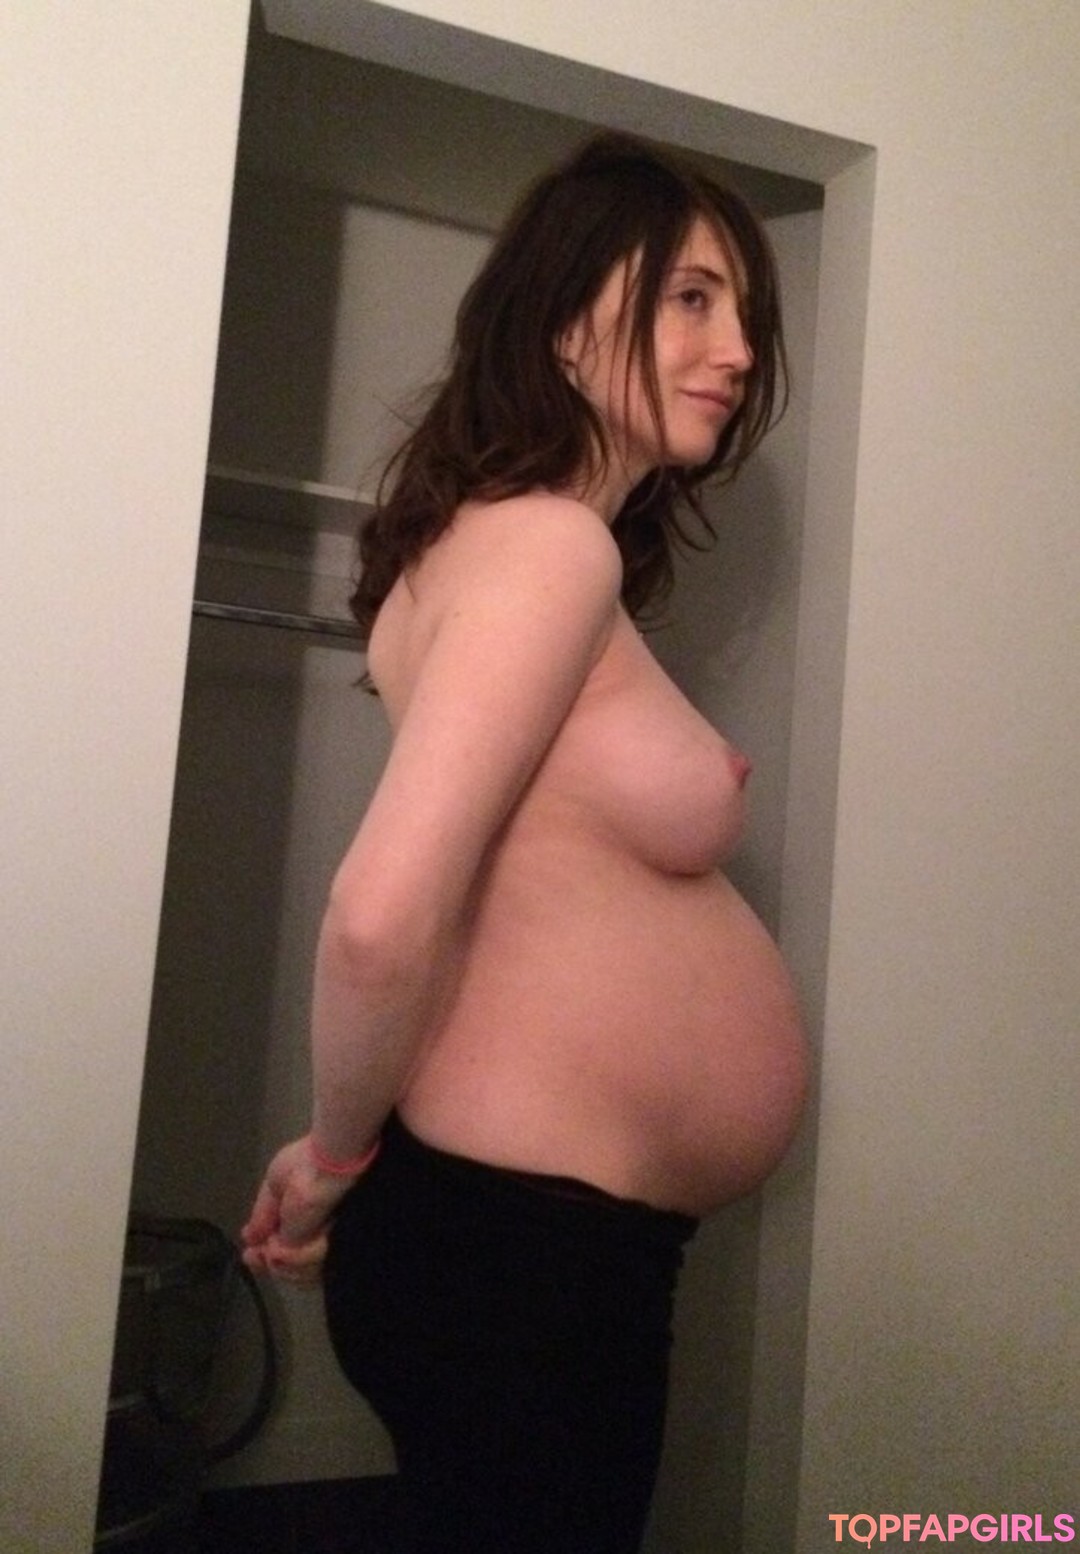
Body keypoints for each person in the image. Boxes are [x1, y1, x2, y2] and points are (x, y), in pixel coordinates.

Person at [242, 130, 808, 1553]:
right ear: (563, 320)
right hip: (519, 1265)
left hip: (526, 1250)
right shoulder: (550, 547)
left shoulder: (488, 548)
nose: (738, 349)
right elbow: (383, 911)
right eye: (691, 298)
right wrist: (332, 1155)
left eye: (744, 310)